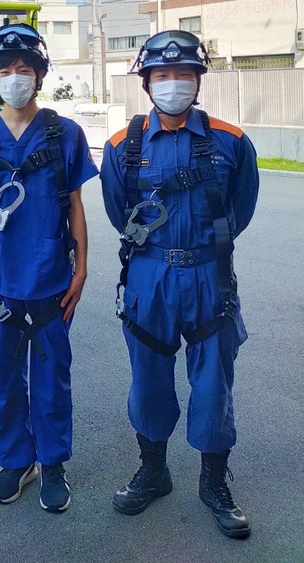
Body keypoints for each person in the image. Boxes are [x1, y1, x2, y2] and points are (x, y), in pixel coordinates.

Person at [99, 30, 259, 539]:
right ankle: (154, 471)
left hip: (211, 277)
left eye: (183, 74)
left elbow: (242, 208)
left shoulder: (231, 140)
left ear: (198, 80)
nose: (173, 84)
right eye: (162, 75)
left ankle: (213, 482)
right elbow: (116, 212)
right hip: (149, 276)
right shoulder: (123, 147)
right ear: (146, 82)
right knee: (148, 380)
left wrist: (204, 249)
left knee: (213, 385)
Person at [0, 22, 98, 513]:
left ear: (40, 75)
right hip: (0, 282)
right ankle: (17, 460)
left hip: (53, 278)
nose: (16, 77)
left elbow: (74, 204)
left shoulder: (65, 134)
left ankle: (52, 462)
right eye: (6, 70)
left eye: (25, 69)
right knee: (6, 379)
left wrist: (81, 268)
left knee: (53, 377)